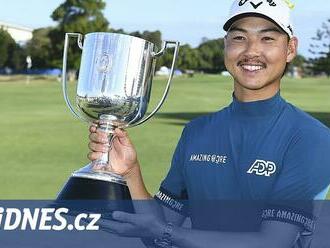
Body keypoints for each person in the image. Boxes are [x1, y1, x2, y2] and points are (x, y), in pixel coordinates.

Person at [88, 0, 330, 247]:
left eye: (267, 39)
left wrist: (166, 232)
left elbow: (273, 243)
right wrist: (131, 173)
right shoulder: (197, 132)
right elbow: (156, 234)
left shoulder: (311, 138)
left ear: (290, 49)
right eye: (239, 38)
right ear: (225, 45)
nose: (251, 51)